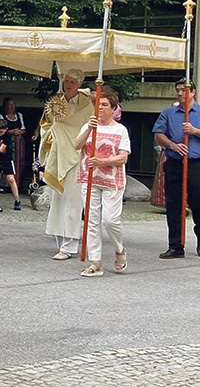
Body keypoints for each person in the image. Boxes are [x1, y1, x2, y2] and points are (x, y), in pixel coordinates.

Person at [152, 78, 200, 259]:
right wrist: (172, 145)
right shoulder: (168, 113)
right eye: (178, 90)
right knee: (174, 204)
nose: (181, 93)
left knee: (199, 202)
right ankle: (175, 245)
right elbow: (158, 135)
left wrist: (195, 131)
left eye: (184, 90)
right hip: (174, 162)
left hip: (197, 164)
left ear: (193, 92)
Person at [75, 89, 131, 276]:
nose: (100, 108)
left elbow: (123, 157)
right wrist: (89, 129)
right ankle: (95, 261)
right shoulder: (89, 126)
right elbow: (77, 145)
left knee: (110, 220)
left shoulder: (120, 130)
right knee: (91, 220)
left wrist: (102, 162)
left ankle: (119, 249)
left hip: (112, 181)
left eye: (105, 105)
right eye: (97, 104)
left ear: (113, 108)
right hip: (89, 178)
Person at [39, 69, 93, 260]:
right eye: (66, 81)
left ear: (79, 84)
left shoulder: (88, 104)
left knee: (73, 200)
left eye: (72, 82)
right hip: (57, 153)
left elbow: (90, 127)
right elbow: (46, 125)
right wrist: (53, 134)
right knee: (57, 199)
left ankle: (70, 245)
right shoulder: (55, 102)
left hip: (77, 155)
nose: (68, 84)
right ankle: (59, 240)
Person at [0, 97, 26, 188]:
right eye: (9, 105)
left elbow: (23, 128)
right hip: (6, 141)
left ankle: (17, 183)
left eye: (13, 105)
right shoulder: (0, 116)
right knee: (4, 161)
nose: (12, 107)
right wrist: (12, 131)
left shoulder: (19, 115)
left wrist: (19, 131)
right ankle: (3, 185)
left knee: (17, 161)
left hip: (18, 143)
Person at [0, 117, 21, 210]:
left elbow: (1, 149)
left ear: (6, 129)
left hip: (7, 159)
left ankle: (17, 200)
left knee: (11, 179)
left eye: (1, 132)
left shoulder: (7, 136)